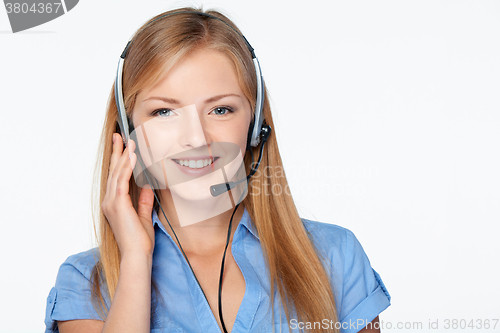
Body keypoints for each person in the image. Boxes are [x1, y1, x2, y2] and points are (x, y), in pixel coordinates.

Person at [44, 7, 391, 333]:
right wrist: (135, 258)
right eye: (164, 112)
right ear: (127, 129)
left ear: (255, 126)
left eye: (221, 110)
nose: (196, 138)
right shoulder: (86, 283)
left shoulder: (333, 257)